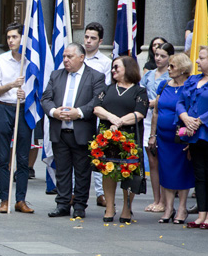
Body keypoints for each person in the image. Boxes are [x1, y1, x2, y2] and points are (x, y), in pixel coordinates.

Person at [42, 43, 106, 219]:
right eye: (64, 56)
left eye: (69, 57)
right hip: (60, 131)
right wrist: (55, 112)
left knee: (82, 171)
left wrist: (78, 113)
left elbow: (97, 101)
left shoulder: (95, 76)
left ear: (81, 57)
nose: (65, 60)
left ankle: (79, 205)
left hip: (82, 131)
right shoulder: (56, 75)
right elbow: (46, 98)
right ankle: (62, 204)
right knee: (62, 170)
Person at [93, 56, 148, 223]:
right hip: (108, 138)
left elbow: (139, 113)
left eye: (117, 67)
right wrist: (112, 118)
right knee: (108, 170)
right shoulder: (107, 89)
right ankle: (110, 206)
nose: (113, 70)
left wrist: (120, 122)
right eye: (112, 67)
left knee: (128, 172)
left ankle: (127, 207)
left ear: (128, 68)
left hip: (129, 138)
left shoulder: (139, 91)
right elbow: (97, 108)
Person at [0, 22, 34, 213]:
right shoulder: (0, 60)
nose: (10, 41)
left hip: (23, 110)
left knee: (23, 158)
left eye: (14, 37)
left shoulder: (31, 61)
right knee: (3, 157)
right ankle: (4, 199)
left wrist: (26, 94)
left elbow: (38, 86)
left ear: (22, 39)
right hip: (4, 109)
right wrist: (11, 85)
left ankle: (21, 199)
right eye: (8, 37)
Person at [149, 53, 194, 224]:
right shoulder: (163, 85)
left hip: (180, 137)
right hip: (164, 137)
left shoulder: (189, 87)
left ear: (183, 69)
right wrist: (153, 135)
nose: (168, 69)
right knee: (165, 170)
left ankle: (182, 208)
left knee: (182, 170)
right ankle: (168, 207)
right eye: (169, 66)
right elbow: (156, 111)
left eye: (172, 66)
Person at [177, 46, 208, 229]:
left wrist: (200, 120)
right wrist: (185, 118)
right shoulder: (193, 80)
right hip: (194, 134)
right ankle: (201, 215)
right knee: (199, 174)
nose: (197, 61)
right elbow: (181, 102)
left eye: (202, 58)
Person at [81, 22, 113, 208]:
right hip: (78, 112)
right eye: (86, 37)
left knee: (98, 152)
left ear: (100, 41)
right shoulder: (78, 57)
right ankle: (76, 191)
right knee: (78, 152)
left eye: (93, 38)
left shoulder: (105, 63)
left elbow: (105, 90)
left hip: (97, 112)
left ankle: (100, 193)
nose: (88, 41)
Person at [140, 42, 173, 213]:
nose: (158, 59)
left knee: (164, 161)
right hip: (147, 118)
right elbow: (141, 92)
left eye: (163, 56)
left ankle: (168, 200)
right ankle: (156, 199)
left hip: (163, 118)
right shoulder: (149, 74)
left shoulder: (170, 76)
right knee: (152, 160)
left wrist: (154, 102)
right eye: (157, 55)